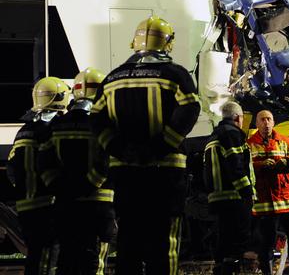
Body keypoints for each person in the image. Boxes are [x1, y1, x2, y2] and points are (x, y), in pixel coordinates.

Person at [91, 16, 200, 275]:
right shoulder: (175, 74)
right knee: (165, 241)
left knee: (129, 239)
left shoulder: (112, 78)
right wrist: (162, 146)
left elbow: (96, 119)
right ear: (167, 43)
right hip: (166, 171)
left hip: (125, 172)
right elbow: (190, 108)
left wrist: (118, 149)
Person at [38, 67, 115, 275]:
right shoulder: (103, 124)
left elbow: (44, 163)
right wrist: (89, 185)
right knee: (94, 262)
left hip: (66, 205)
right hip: (98, 206)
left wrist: (60, 188)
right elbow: (108, 160)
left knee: (67, 261)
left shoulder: (56, 126)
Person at [8, 76, 70, 275]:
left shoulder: (23, 131)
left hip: (26, 206)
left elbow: (12, 168)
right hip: (47, 206)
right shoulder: (49, 131)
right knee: (47, 260)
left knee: (36, 258)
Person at [248, 109, 289, 275]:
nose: (266, 122)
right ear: (256, 123)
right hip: (265, 203)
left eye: (269, 119)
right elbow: (245, 167)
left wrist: (286, 163)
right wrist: (260, 166)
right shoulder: (249, 144)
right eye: (262, 119)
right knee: (266, 243)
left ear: (273, 122)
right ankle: (267, 272)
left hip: (288, 200)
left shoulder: (285, 141)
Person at [203, 101, 254, 275]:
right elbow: (236, 166)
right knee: (237, 242)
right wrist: (247, 192)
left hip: (217, 197)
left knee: (223, 241)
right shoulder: (232, 134)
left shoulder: (213, 136)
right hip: (234, 198)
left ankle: (220, 270)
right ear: (237, 118)